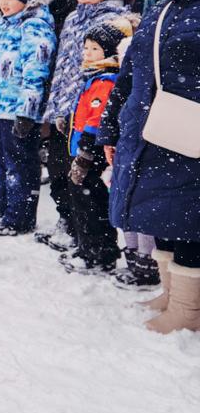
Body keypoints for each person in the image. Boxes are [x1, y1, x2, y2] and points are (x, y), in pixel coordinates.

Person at [99, 0, 200, 333]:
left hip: (189, 131)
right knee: (163, 213)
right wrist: (110, 126)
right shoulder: (160, 10)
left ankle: (188, 310)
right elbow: (129, 75)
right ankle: (171, 292)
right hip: (148, 127)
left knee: (191, 218)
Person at [38, 0, 129, 252]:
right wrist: (57, 105)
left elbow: (109, 71)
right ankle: (69, 224)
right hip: (65, 106)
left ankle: (91, 239)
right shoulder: (73, 18)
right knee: (59, 171)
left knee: (84, 178)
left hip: (90, 111)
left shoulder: (112, 22)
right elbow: (63, 64)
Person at [0, 0, 56, 237]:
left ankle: (20, 217)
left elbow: (36, 71)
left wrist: (27, 112)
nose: (4, 2)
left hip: (20, 111)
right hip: (1, 107)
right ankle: (0, 204)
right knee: (1, 160)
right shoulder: (5, 23)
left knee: (20, 165)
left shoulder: (34, 25)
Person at [63, 18, 134, 274]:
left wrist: (85, 152)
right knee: (83, 202)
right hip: (84, 149)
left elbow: (97, 118)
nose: (87, 53)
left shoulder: (105, 81)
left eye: (94, 48)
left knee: (91, 203)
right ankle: (88, 248)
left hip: (92, 154)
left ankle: (98, 254)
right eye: (86, 47)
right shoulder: (94, 77)